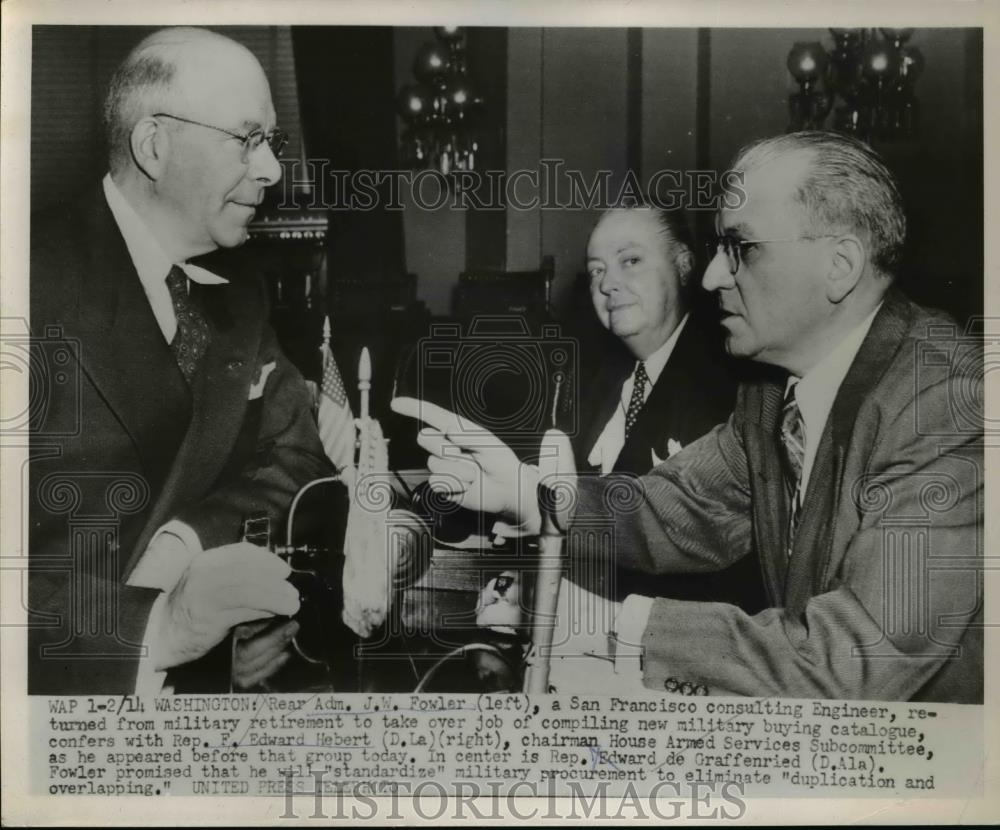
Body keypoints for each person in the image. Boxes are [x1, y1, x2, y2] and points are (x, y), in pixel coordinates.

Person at [393, 131, 983, 703]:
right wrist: (536, 495)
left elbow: (853, 666)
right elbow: (680, 509)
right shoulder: (772, 393)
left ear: (840, 264)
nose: (710, 277)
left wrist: (610, 629)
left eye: (741, 248)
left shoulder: (949, 401)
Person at [28, 27, 333, 694]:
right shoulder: (23, 280)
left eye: (272, 143)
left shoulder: (240, 293)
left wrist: (186, 543)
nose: (273, 170)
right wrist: (151, 628)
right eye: (247, 139)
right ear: (155, 145)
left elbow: (299, 462)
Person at [575, 203, 764, 611]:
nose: (608, 284)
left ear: (682, 266)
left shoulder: (735, 386)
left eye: (631, 261)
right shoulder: (592, 381)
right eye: (597, 270)